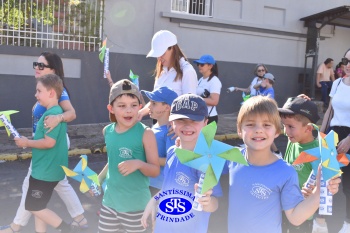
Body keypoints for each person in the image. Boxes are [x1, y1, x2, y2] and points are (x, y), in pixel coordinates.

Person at [0, 52, 87, 233]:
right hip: (43, 143)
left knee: (35, 187)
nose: (37, 68)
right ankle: (79, 220)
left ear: (53, 70)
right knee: (50, 187)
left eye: (41, 65)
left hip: (50, 143)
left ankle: (17, 226)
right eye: (36, 64)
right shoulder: (44, 89)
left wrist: (58, 118)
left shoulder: (57, 92)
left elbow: (72, 113)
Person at [228, 95, 322, 232]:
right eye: (250, 124)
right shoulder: (228, 159)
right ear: (239, 129)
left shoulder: (287, 171)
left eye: (266, 125)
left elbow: (296, 218)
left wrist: (318, 192)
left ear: (276, 131)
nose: (259, 130)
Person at [141, 94, 222, 233]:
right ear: (171, 122)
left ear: (205, 122)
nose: (187, 125)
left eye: (194, 120)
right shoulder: (172, 151)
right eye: (181, 120)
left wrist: (207, 202)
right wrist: (154, 200)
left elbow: (215, 202)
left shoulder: (206, 161)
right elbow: (169, 187)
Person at [14, 74, 78, 233]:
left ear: (51, 93)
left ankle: (68, 229)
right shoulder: (55, 113)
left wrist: (27, 143)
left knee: (33, 206)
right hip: (44, 170)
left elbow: (49, 143)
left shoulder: (51, 115)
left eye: (39, 91)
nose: (36, 95)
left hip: (45, 172)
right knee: (39, 205)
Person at [95, 79, 160, 233]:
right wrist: (98, 179)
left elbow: (155, 170)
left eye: (133, 105)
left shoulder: (146, 133)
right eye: (122, 106)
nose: (129, 110)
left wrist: (138, 164)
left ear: (140, 107)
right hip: (109, 203)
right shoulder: (107, 131)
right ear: (111, 108)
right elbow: (112, 161)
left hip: (136, 207)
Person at [278, 97, 340, 233]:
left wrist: (313, 193)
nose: (285, 131)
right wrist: (300, 99)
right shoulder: (295, 138)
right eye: (284, 125)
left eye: (290, 127)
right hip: (283, 206)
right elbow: (303, 117)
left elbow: (326, 185)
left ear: (308, 129)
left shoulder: (319, 153)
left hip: (302, 212)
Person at [321, 49, 350, 233]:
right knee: (329, 182)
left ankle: (347, 223)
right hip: (333, 135)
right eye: (346, 60)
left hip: (349, 136)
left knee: (347, 185)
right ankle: (327, 224)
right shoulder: (338, 83)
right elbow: (329, 112)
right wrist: (322, 135)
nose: (348, 64)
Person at [138, 30, 198, 120]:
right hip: (159, 124)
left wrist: (177, 125)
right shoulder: (161, 71)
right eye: (157, 54)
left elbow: (189, 106)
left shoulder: (187, 71)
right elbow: (155, 100)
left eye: (162, 53)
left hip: (175, 129)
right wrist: (140, 113)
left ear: (172, 48)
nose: (159, 58)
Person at [141, 86, 178, 193]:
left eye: (154, 104)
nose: (149, 107)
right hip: (149, 182)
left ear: (167, 108)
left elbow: (172, 161)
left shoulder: (170, 131)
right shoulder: (156, 126)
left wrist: (143, 159)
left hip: (159, 186)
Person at [194, 54, 222, 124]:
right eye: (198, 64)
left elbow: (214, 101)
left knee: (205, 135)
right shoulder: (201, 79)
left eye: (202, 64)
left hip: (210, 117)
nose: (199, 66)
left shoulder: (214, 81)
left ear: (210, 66)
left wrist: (197, 99)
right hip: (200, 116)